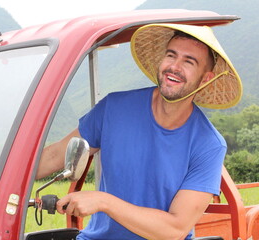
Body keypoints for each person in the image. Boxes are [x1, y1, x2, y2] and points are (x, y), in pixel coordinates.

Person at [36, 23, 242, 240]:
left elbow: (175, 229)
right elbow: (55, 154)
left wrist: (103, 201)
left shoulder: (208, 144)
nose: (174, 66)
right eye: (171, 56)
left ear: (206, 78)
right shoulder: (113, 108)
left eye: (189, 62)